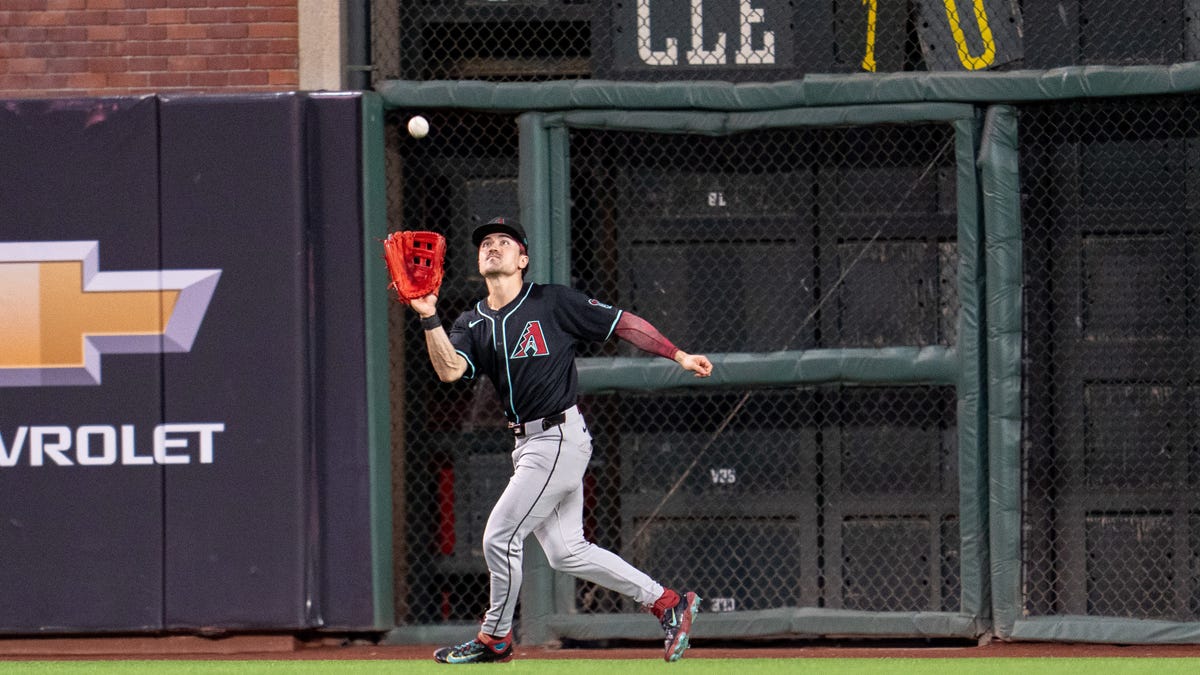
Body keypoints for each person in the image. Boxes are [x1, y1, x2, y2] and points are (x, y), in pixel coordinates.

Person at [410, 216, 714, 665]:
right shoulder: (471, 321)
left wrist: (678, 354)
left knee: (499, 537)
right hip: (528, 445)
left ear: (523, 258)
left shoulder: (552, 302)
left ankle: (495, 637)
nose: (493, 247)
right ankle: (668, 603)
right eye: (485, 244)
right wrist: (429, 316)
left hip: (557, 436)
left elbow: (622, 322)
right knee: (567, 552)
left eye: (504, 242)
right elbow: (450, 370)